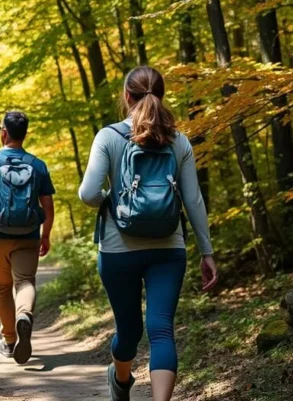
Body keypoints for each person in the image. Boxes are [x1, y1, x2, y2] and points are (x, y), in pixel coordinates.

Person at [78, 66, 218, 401]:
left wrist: (111, 203)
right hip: (168, 249)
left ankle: (121, 381)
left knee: (128, 330)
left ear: (127, 96)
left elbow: (87, 194)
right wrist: (207, 251)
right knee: (161, 330)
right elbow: (193, 200)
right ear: (162, 95)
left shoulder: (108, 136)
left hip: (117, 250)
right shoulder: (178, 140)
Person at [0, 110, 55, 365]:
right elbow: (48, 207)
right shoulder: (37, 165)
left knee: (3, 287)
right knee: (25, 282)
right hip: (29, 233)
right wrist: (46, 235)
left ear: (4, 132)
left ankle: (9, 341)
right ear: (24, 133)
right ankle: (24, 315)